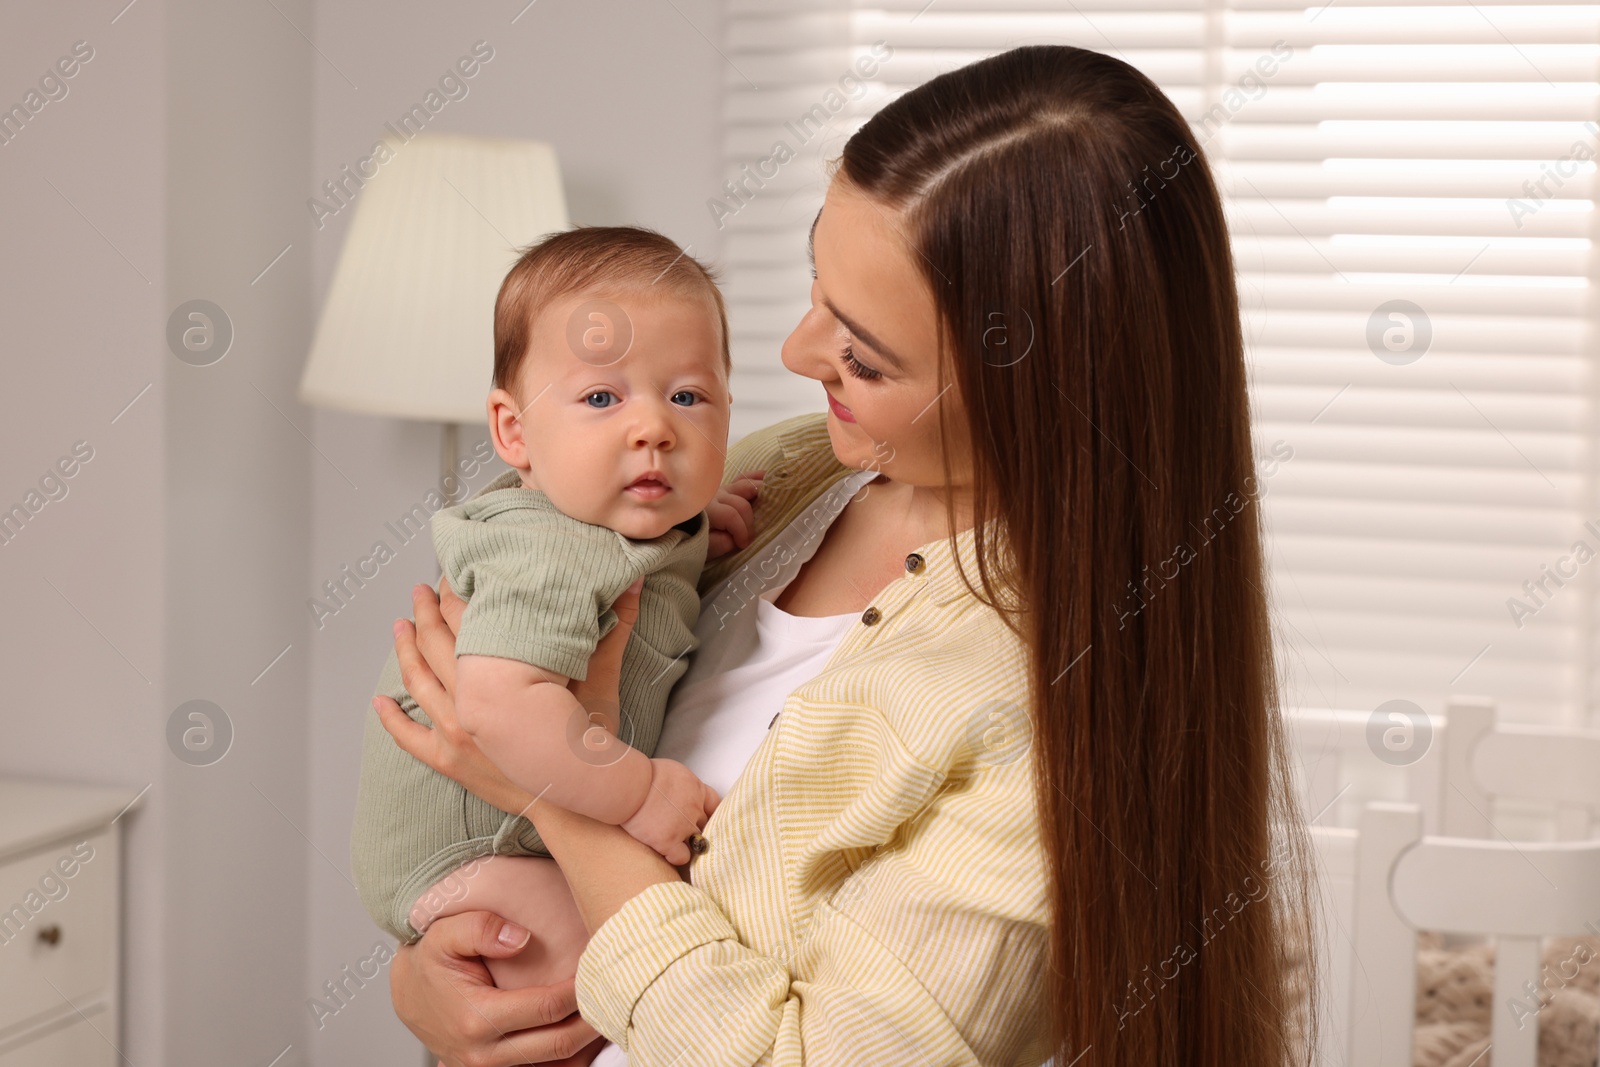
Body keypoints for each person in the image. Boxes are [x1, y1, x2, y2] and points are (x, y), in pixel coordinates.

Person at [378, 44, 1317, 1067]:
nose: (791, 351)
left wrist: (555, 796)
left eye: (863, 354)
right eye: (815, 282)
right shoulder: (783, 474)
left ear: (1041, 396)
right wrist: (433, 978)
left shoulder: (1050, 702)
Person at [350, 226, 759, 1001]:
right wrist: (637, 793)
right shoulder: (546, 551)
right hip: (474, 852)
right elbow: (501, 708)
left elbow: (636, 585)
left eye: (688, 396)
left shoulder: (629, 524)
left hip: (520, 836)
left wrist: (704, 537)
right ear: (514, 431)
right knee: (593, 979)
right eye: (602, 397)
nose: (654, 427)